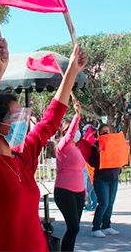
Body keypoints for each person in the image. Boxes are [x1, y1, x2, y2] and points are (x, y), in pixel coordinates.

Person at [0, 36, 87, 252]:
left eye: (22, 115)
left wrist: (72, 71)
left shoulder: (22, 158)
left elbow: (50, 120)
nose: (22, 121)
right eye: (14, 116)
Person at [54, 101, 86, 252]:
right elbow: (71, 132)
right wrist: (77, 115)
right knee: (73, 227)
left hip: (79, 193)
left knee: (75, 228)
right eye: (72, 130)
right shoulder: (62, 145)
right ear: (64, 132)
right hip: (65, 191)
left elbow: (80, 171)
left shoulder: (76, 148)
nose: (76, 132)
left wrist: (84, 192)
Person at [90, 124, 120, 238]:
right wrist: (98, 153)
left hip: (114, 177)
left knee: (110, 203)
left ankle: (106, 226)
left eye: (108, 131)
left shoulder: (115, 145)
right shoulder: (95, 146)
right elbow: (92, 162)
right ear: (99, 134)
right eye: (103, 132)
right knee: (104, 203)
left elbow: (119, 158)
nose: (106, 133)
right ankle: (96, 227)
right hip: (101, 178)